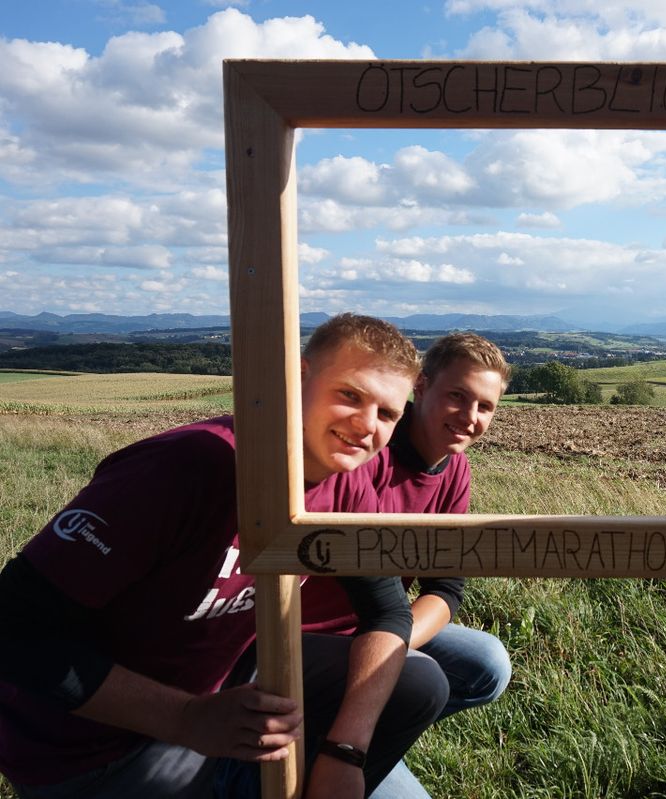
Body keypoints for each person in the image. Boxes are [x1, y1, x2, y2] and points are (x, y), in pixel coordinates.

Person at [0, 313, 449, 799]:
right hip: (89, 748)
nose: (366, 426)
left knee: (418, 680)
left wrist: (346, 752)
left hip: (220, 685)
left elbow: (386, 611)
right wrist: (185, 718)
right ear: (298, 378)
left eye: (387, 414)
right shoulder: (187, 468)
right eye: (350, 395)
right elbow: (13, 626)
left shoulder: (349, 483)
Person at [301, 331, 512, 799]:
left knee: (487, 662)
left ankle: (366, 726)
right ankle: (339, 739)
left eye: (485, 406)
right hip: (308, 633)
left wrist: (388, 649)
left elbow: (446, 587)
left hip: (376, 626)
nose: (470, 417)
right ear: (421, 385)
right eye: (457, 396)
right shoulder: (365, 451)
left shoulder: (455, 471)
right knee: (424, 679)